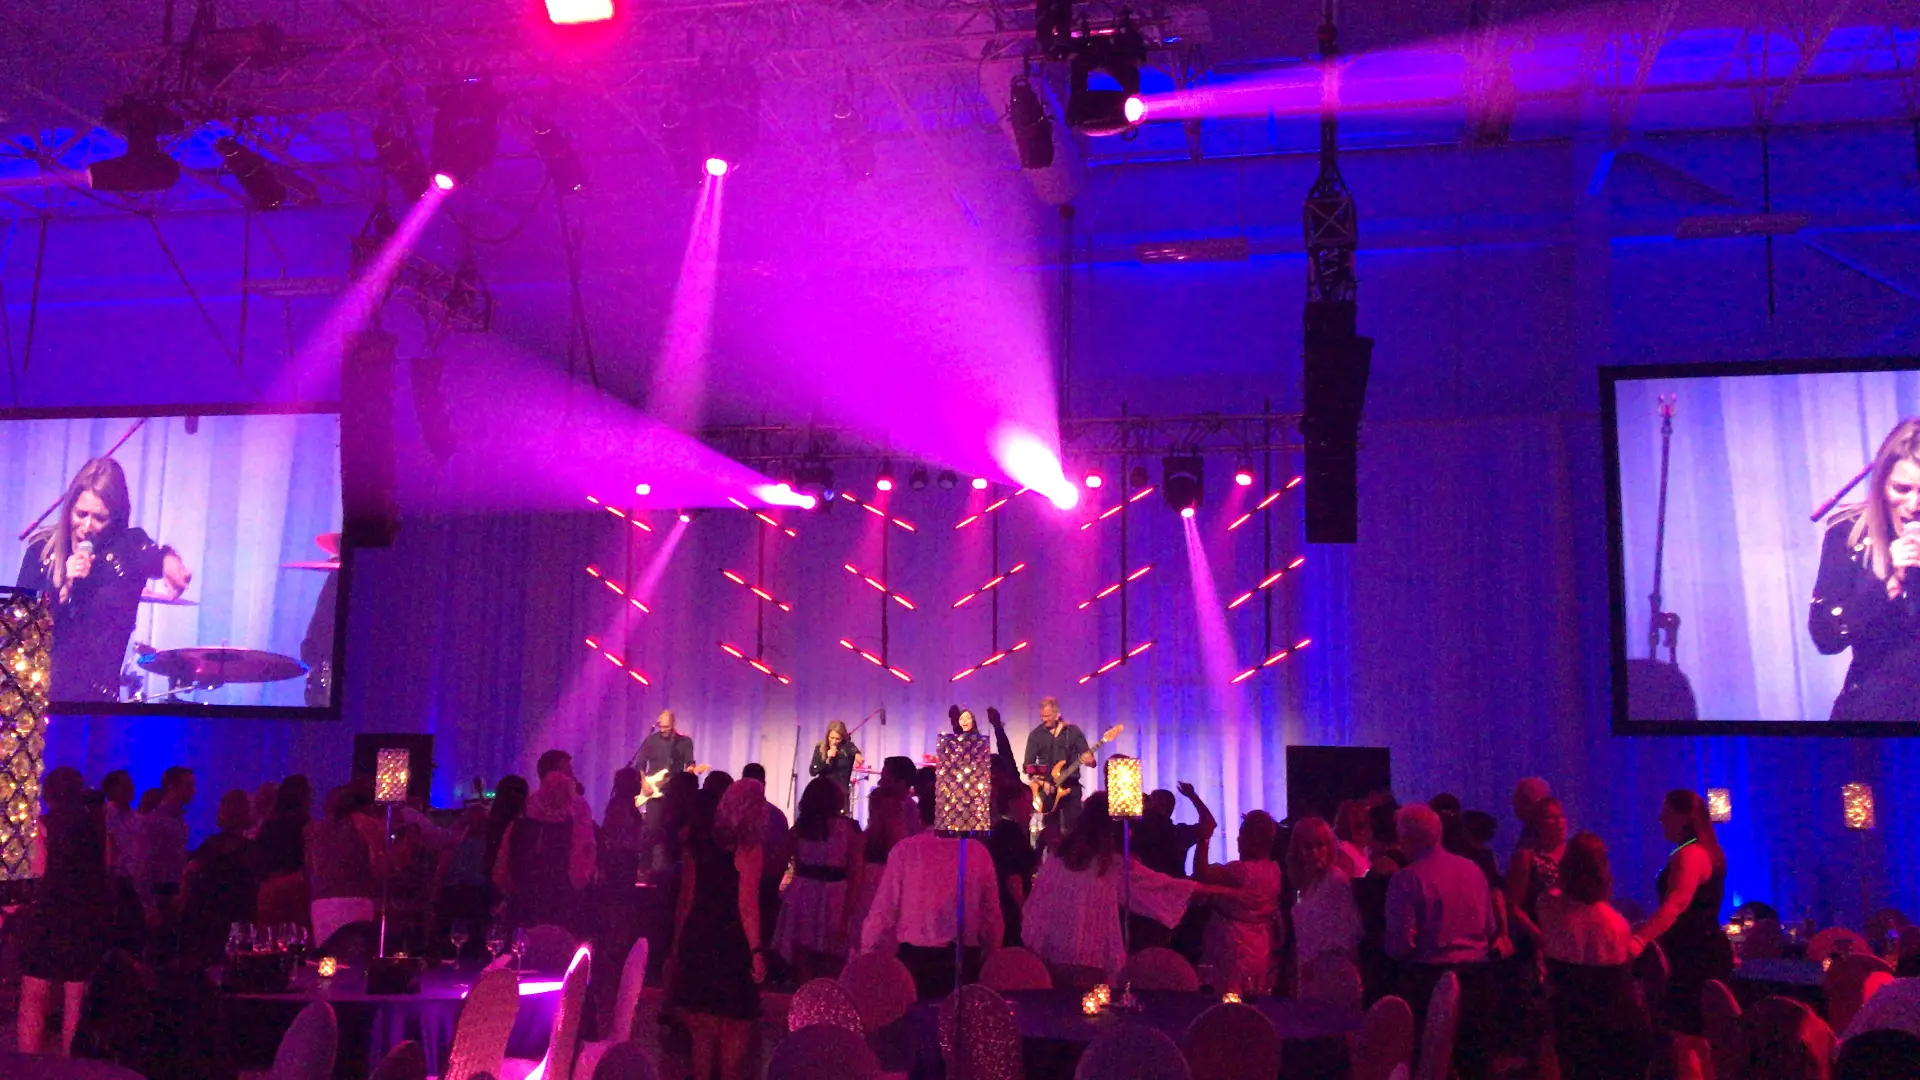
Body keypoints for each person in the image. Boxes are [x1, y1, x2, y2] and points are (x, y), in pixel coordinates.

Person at [15, 457, 193, 701]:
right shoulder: (40, 550)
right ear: (69, 509)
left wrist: (171, 564)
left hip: (98, 703)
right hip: (38, 699)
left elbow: (154, 554)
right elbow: (21, 628)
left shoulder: (126, 549)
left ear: (115, 519)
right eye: (81, 514)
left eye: (99, 518)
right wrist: (62, 587)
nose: (87, 525)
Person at [1022, 792, 1225, 989]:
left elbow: (1038, 905)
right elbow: (1162, 886)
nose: (1131, 833)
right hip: (1092, 956)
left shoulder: (1058, 858)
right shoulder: (1110, 865)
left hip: (1052, 951)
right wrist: (1221, 892)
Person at [1385, 802, 1508, 1072]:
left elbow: (1400, 945)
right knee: (1475, 1065)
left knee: (1429, 1064)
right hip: (1478, 978)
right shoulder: (1473, 870)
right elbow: (1489, 927)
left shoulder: (1406, 879)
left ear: (1405, 837)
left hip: (1428, 981)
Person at [1810, 417, 1920, 720]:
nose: (1914, 504)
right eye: (1902, 489)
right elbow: (1825, 637)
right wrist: (1884, 584)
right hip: (1872, 711)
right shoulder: (1849, 531)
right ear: (1881, 483)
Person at [669, 779, 767, 1080]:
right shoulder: (749, 849)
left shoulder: (697, 845)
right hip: (732, 941)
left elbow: (686, 899)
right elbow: (747, 905)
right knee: (735, 1028)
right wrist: (756, 952)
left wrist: (677, 945)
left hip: (699, 936)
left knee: (702, 1032)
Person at [1538, 833, 1648, 1080]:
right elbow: (1620, 989)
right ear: (1603, 871)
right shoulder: (1614, 925)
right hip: (1611, 1033)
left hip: (1567, 1025)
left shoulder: (1546, 906)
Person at [18, 767, 112, 1055]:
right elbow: (106, 871)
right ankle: (72, 1065)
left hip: (47, 916)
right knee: (76, 998)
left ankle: (28, 1067)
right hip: (84, 918)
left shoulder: (42, 827)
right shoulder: (97, 830)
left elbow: (37, 872)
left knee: (35, 995)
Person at [858, 815, 1003, 999]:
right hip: (962, 959)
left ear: (921, 814)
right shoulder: (977, 852)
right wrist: (991, 953)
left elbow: (883, 911)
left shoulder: (906, 849)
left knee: (915, 1014)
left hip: (915, 960)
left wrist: (867, 953)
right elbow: (991, 916)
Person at [1632, 789, 1732, 1034]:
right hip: (1704, 950)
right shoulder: (1704, 850)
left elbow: (1675, 905)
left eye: (1666, 813)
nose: (1660, 819)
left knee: (1685, 1033)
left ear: (1685, 817)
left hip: (1692, 957)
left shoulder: (1689, 854)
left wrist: (1638, 940)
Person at [495, 750, 597, 933]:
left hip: (530, 891)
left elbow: (507, 854)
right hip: (557, 890)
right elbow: (585, 847)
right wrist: (580, 879)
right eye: (567, 770)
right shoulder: (576, 809)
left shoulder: (528, 808)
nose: (572, 775)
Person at [774, 778, 865, 980]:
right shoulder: (850, 829)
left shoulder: (800, 829)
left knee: (803, 954)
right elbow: (856, 873)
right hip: (835, 894)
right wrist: (849, 912)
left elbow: (781, 862)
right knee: (833, 955)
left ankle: (806, 993)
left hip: (803, 893)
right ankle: (829, 994)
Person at [1196, 811, 1285, 996]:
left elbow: (1201, 873)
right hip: (1260, 946)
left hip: (1232, 946)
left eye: (1241, 833)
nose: (1237, 839)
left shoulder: (1241, 872)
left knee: (1227, 999)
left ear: (1251, 839)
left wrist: (1204, 837)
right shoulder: (1274, 871)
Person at [179, 789, 259, 966]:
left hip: (209, 916)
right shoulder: (251, 850)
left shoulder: (210, 846)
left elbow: (190, 874)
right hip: (239, 916)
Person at [306, 783, 384, 947]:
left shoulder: (317, 829)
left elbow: (313, 866)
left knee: (326, 955)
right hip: (356, 898)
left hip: (321, 902)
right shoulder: (367, 825)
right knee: (354, 955)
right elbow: (378, 867)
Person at [1287, 816, 1363, 983]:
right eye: (1308, 846)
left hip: (1332, 971)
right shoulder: (1302, 882)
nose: (1315, 852)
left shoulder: (1335, 880)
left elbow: (1349, 931)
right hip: (1307, 969)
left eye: (1320, 845)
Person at [740, 763, 791, 959]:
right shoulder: (776, 815)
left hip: (745, 884)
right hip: (767, 883)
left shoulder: (734, 814)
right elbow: (783, 855)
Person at [131, 765, 195, 924]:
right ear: (172, 788)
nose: (193, 791)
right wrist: (149, 906)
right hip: (159, 894)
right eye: (188, 786)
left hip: (173, 893)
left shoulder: (179, 822)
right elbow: (142, 867)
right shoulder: (154, 821)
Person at [1022, 696, 1094, 830]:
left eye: (1047, 716)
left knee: (1073, 827)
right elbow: (1028, 766)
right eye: (1042, 716)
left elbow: (1090, 759)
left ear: (1057, 714)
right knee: (1051, 829)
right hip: (1048, 790)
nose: (1044, 719)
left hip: (1071, 787)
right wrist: (1042, 782)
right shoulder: (1035, 735)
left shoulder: (1072, 732)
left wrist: (1090, 761)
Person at [254, 774, 313, 929]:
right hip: (296, 883)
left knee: (269, 933)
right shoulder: (304, 823)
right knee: (297, 932)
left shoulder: (269, 823)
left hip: (269, 884)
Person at [1506, 796, 1568, 942]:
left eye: (1560, 816)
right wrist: (1539, 937)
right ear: (1537, 824)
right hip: (1538, 939)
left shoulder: (1574, 853)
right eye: (1550, 817)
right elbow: (1512, 905)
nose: (1559, 822)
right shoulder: (1526, 857)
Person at [986, 782, 1038, 947]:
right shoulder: (1010, 832)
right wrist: (1023, 908)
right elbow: (1012, 876)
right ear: (1012, 803)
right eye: (1027, 802)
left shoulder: (1003, 829)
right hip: (1010, 907)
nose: (1031, 808)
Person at [1132, 782, 1217, 879]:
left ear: (1163, 809)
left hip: (1156, 885)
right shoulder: (1179, 833)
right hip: (1173, 884)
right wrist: (1192, 796)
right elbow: (1209, 824)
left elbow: (1209, 824)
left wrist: (1193, 796)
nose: (1145, 803)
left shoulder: (1175, 833)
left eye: (1152, 800)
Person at [634, 709, 697, 791]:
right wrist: (644, 782)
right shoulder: (651, 740)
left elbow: (690, 762)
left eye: (666, 727)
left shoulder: (685, 741)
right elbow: (640, 764)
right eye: (660, 726)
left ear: (673, 724)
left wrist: (691, 769)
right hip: (652, 789)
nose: (662, 730)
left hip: (675, 788)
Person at [808, 719, 863, 794]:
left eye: (837, 739)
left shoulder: (849, 748)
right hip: (823, 792)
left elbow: (856, 754)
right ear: (827, 736)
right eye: (831, 738)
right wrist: (827, 758)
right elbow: (813, 772)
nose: (834, 742)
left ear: (842, 738)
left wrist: (858, 757)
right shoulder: (820, 747)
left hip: (841, 794)